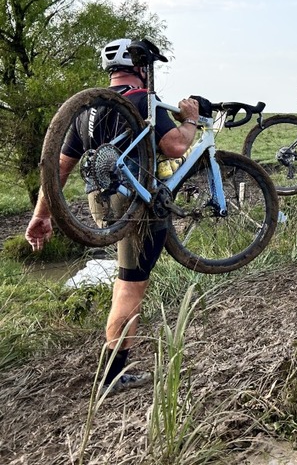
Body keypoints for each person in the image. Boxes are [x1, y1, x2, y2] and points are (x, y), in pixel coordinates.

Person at [25, 38, 201, 393]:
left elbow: (58, 167)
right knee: (130, 285)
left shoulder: (86, 110)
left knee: (129, 277)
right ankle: (112, 375)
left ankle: (114, 369)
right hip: (133, 201)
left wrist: (43, 214)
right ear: (141, 67)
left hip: (101, 203)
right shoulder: (141, 100)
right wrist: (192, 121)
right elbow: (177, 145)